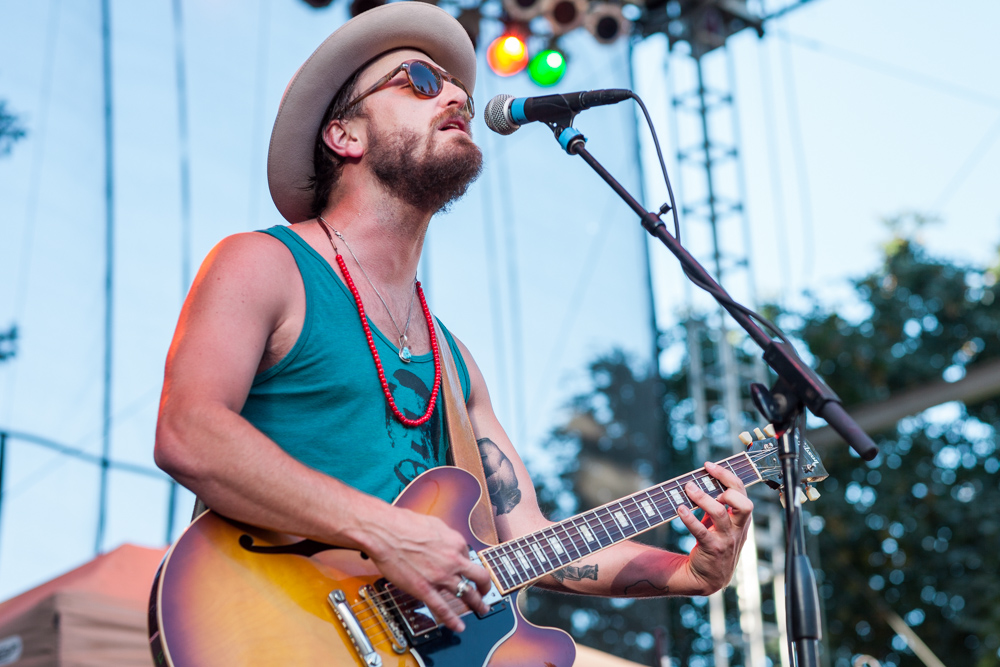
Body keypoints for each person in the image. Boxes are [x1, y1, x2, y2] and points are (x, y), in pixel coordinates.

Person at [153, 1, 753, 638]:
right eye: (418, 81)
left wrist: (688, 572)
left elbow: (528, 538)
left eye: (459, 89)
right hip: (273, 632)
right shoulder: (263, 264)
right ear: (345, 136)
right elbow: (188, 432)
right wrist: (386, 532)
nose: (456, 97)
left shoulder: (453, 360)